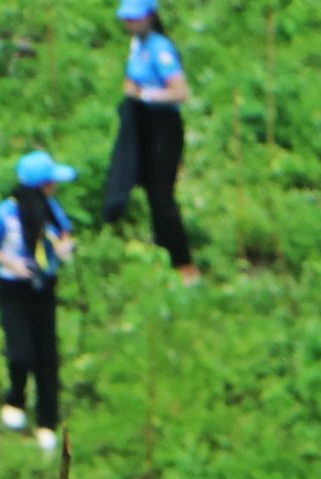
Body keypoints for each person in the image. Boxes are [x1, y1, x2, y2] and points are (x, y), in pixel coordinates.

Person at [0, 152, 79, 455]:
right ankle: (15, 398)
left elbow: (64, 233)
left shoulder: (51, 210)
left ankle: (47, 422)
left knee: (47, 356)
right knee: (21, 352)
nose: (55, 187)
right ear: (40, 185)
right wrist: (11, 262)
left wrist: (65, 248)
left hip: (43, 287)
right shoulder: (7, 213)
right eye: (51, 182)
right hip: (13, 289)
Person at [105, 0, 198, 283]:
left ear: (149, 18)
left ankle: (184, 263)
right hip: (142, 124)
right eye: (126, 19)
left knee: (162, 195)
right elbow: (130, 81)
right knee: (146, 186)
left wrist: (145, 95)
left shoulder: (161, 49)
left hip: (163, 127)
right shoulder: (136, 45)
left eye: (135, 19)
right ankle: (163, 249)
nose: (129, 24)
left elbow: (180, 93)